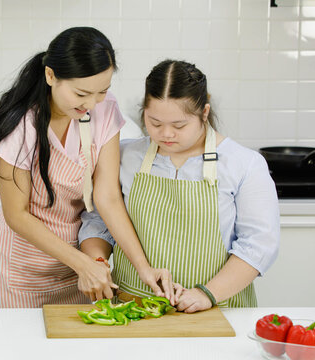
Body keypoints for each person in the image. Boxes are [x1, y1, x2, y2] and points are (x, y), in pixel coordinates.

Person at [0, 27, 173, 308]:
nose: (91, 104)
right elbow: (15, 215)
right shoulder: (21, 125)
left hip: (76, 266)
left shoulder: (105, 110)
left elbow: (108, 197)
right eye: (81, 93)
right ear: (50, 76)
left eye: (102, 91)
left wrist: (143, 267)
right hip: (21, 269)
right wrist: (83, 264)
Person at [79, 59, 280, 313]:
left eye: (179, 125)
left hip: (218, 310)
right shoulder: (125, 155)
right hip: (133, 309)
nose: (166, 134)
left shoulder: (244, 164)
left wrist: (208, 294)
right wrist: (96, 262)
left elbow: (259, 245)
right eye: (154, 123)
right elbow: (98, 220)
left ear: (204, 113)